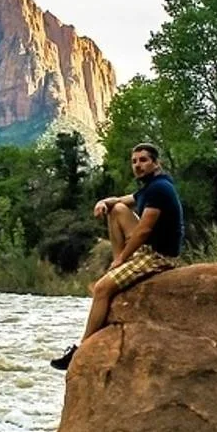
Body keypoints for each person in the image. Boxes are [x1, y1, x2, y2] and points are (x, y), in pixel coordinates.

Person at [50, 142, 183, 371]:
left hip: (159, 256)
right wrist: (103, 202)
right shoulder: (150, 187)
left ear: (156, 163)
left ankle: (82, 349)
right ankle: (119, 262)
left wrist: (121, 259)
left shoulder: (159, 189)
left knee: (102, 289)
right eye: (134, 161)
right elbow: (120, 201)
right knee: (117, 209)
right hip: (148, 250)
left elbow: (144, 231)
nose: (138, 165)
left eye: (143, 160)